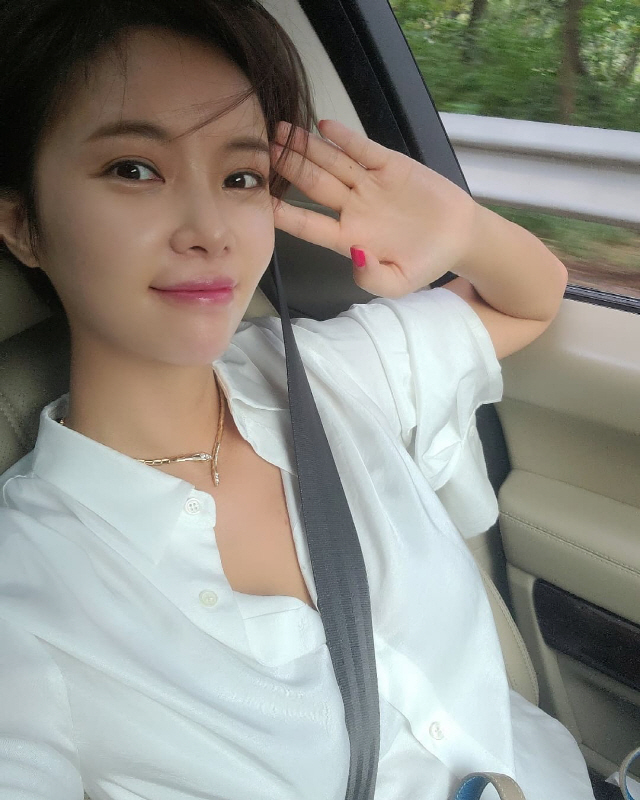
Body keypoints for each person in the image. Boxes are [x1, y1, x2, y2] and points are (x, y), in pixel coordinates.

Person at [0, 1, 596, 799]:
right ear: (22, 225)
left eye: (241, 177)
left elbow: (530, 297)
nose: (211, 229)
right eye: (134, 169)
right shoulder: (25, 598)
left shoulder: (326, 375)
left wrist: (459, 227)